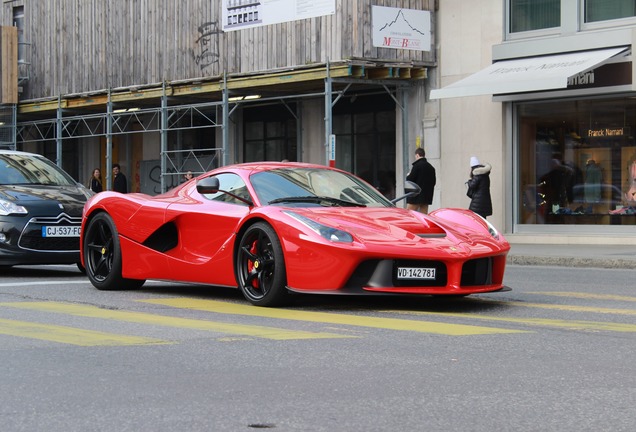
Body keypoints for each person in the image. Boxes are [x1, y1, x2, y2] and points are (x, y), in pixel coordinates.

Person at [406, 147, 436, 213]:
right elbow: (434, 182)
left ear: (417, 155)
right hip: (426, 197)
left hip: (415, 197)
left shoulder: (416, 166)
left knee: (409, 214)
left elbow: (410, 180)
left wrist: (408, 175)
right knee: (424, 217)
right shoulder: (431, 168)